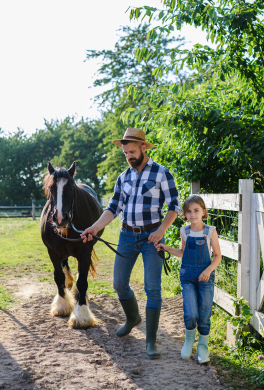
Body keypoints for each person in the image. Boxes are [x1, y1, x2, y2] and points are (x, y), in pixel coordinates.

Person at [80, 128, 180, 359]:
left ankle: (151, 341)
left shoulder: (162, 173)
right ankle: (133, 318)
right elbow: (113, 208)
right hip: (126, 235)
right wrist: (95, 227)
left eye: (132, 152)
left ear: (144, 148)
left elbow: (175, 205)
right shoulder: (123, 177)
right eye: (126, 153)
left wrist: (161, 230)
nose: (129, 157)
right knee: (119, 284)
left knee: (152, 288)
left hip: (151, 238)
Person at [156, 195, 222, 363]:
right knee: (191, 312)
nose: (193, 214)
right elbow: (183, 252)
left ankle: (202, 346)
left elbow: (217, 256)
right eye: (189, 211)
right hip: (188, 276)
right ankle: (189, 340)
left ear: (203, 212)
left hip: (206, 277)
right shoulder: (184, 231)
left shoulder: (210, 231)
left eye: (196, 210)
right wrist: (166, 248)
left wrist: (208, 271)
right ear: (185, 214)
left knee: (204, 312)